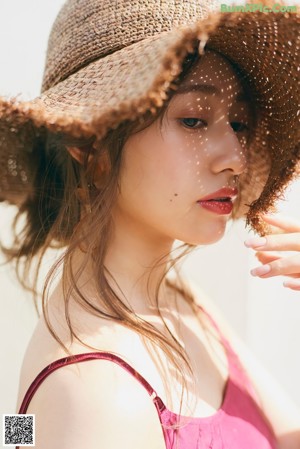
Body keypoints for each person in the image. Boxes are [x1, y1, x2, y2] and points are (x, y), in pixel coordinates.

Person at [0, 0, 299, 448]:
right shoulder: (96, 396)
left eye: (238, 123)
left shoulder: (177, 300)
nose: (235, 157)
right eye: (194, 119)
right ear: (92, 144)